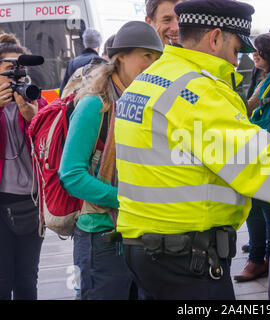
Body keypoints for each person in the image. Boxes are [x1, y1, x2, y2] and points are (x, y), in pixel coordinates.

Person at [115, 0, 270, 300]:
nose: (235, 61)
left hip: (146, 250)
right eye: (235, 50)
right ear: (215, 38)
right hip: (185, 259)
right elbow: (260, 166)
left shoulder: (149, 80)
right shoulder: (196, 91)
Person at [58, 21, 163, 300]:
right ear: (120, 57)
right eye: (146, 55)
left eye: (157, 58)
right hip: (101, 240)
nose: (153, 64)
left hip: (141, 234)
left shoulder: (147, 102)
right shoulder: (95, 104)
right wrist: (128, 198)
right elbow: (71, 174)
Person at [234, 33, 270, 283]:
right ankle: (261, 257)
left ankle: (260, 259)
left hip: (268, 144)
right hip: (261, 143)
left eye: (260, 51)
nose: (254, 55)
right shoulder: (268, 75)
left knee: (262, 206)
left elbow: (256, 109)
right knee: (259, 206)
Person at [0, 33, 48, 300]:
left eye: (20, 72)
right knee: (2, 278)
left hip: (31, 201)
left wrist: (33, 117)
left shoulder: (36, 101)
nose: (16, 78)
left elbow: (52, 148)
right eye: (9, 71)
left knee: (27, 278)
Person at [59, 28, 102, 97]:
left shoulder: (73, 62)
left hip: (74, 105)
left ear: (84, 43)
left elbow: (63, 90)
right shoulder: (100, 62)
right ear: (99, 45)